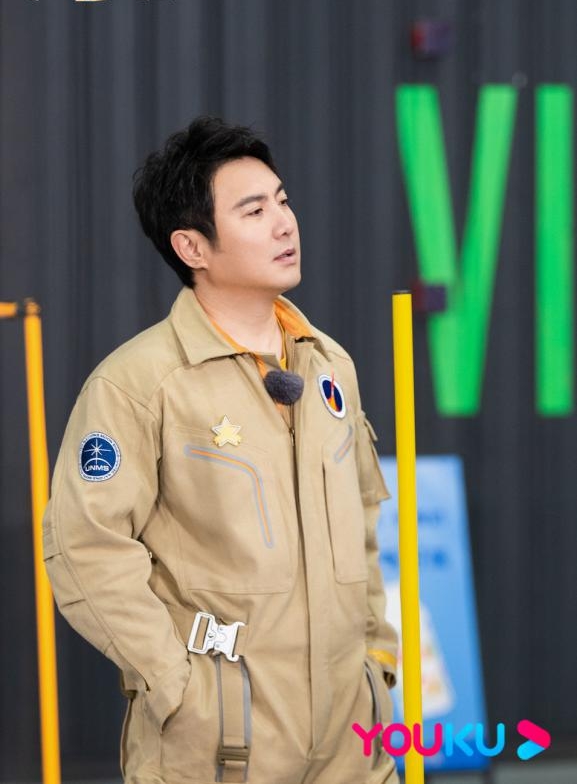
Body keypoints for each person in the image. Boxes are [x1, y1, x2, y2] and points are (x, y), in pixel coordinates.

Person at [43, 116, 399, 784]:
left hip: (352, 743)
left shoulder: (329, 366)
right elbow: (85, 546)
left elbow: (364, 522)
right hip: (218, 749)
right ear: (192, 246)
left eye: (283, 201)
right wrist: (177, 689)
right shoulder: (139, 383)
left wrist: (377, 661)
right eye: (254, 210)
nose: (284, 223)